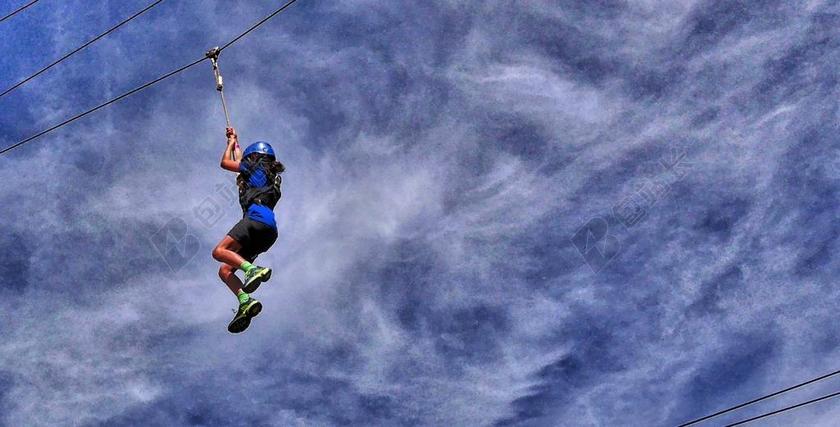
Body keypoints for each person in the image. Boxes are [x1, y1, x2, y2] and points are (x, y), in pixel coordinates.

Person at [211, 127, 284, 333]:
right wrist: (235, 141)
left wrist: (229, 145)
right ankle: (245, 301)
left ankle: (253, 271)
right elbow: (242, 163)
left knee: (219, 252)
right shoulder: (266, 174)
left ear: (254, 158)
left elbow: (225, 163)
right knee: (225, 270)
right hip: (268, 231)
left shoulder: (254, 168)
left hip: (255, 219)